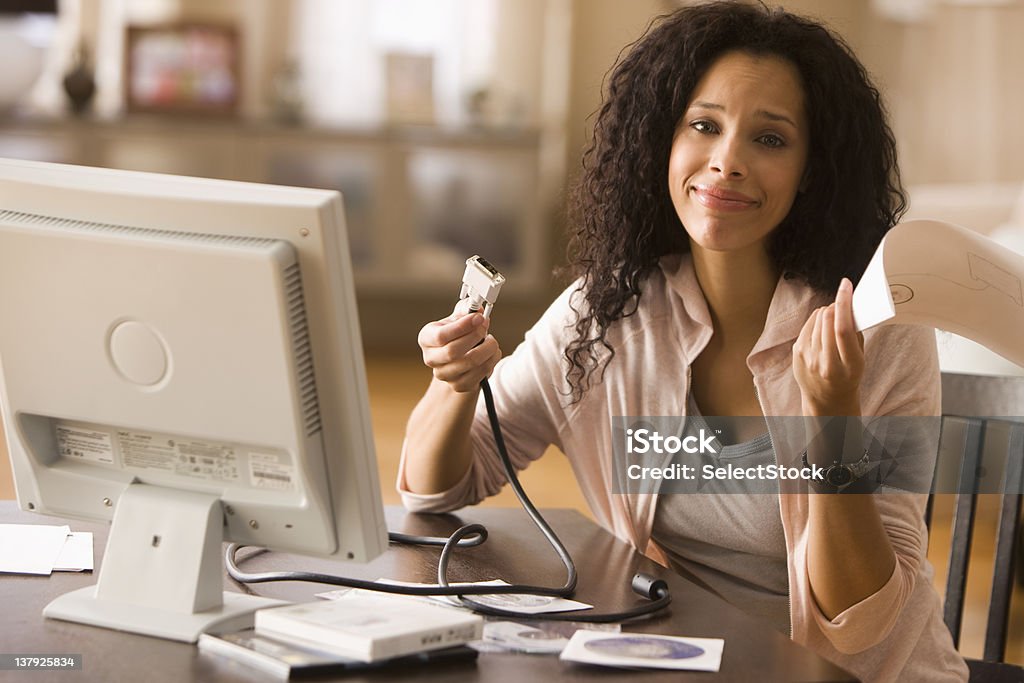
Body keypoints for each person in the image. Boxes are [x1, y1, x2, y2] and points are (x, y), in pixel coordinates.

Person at [397, 3, 967, 680]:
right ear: (660, 142)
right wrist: (452, 385)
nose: (725, 162)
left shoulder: (877, 329)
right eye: (704, 125)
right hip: (690, 664)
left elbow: (864, 615)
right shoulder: (606, 313)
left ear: (812, 170)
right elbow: (438, 493)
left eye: (771, 139)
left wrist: (833, 417)